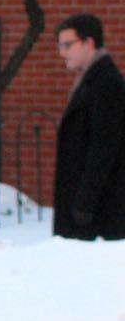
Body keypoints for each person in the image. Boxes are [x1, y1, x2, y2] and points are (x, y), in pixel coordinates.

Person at [52, 13, 125, 241]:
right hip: (86, 206)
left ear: (89, 42)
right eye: (60, 46)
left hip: (97, 211)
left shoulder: (106, 84)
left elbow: (104, 148)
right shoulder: (90, 81)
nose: (62, 52)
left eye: (68, 45)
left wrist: (85, 203)